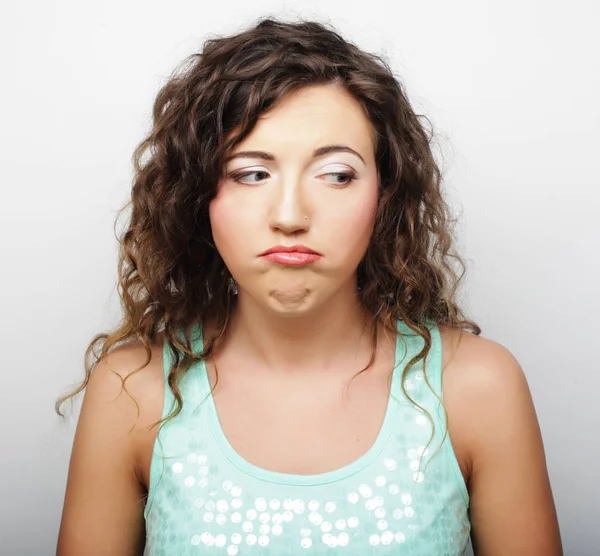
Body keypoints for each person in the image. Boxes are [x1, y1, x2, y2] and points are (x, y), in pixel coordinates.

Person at [55, 17, 562, 556]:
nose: (291, 216)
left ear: (384, 196)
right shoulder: (133, 392)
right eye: (251, 174)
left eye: (337, 174)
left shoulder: (476, 389)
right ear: (197, 196)